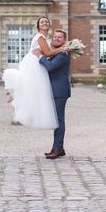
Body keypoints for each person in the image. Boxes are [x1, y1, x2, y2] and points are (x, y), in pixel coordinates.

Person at [2, 16, 64, 129]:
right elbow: (49, 53)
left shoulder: (45, 38)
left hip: (37, 62)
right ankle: (15, 95)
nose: (44, 23)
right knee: (34, 88)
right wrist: (64, 48)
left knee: (34, 89)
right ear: (38, 26)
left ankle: (15, 95)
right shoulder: (40, 36)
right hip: (34, 63)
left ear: (49, 25)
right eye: (42, 22)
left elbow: (47, 53)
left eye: (46, 21)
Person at [32, 29, 71, 160]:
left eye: (60, 37)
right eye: (55, 36)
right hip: (55, 89)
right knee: (57, 120)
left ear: (64, 40)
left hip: (59, 90)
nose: (57, 38)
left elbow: (50, 67)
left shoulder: (63, 54)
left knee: (59, 120)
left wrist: (39, 56)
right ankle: (58, 147)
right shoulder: (56, 52)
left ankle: (58, 148)